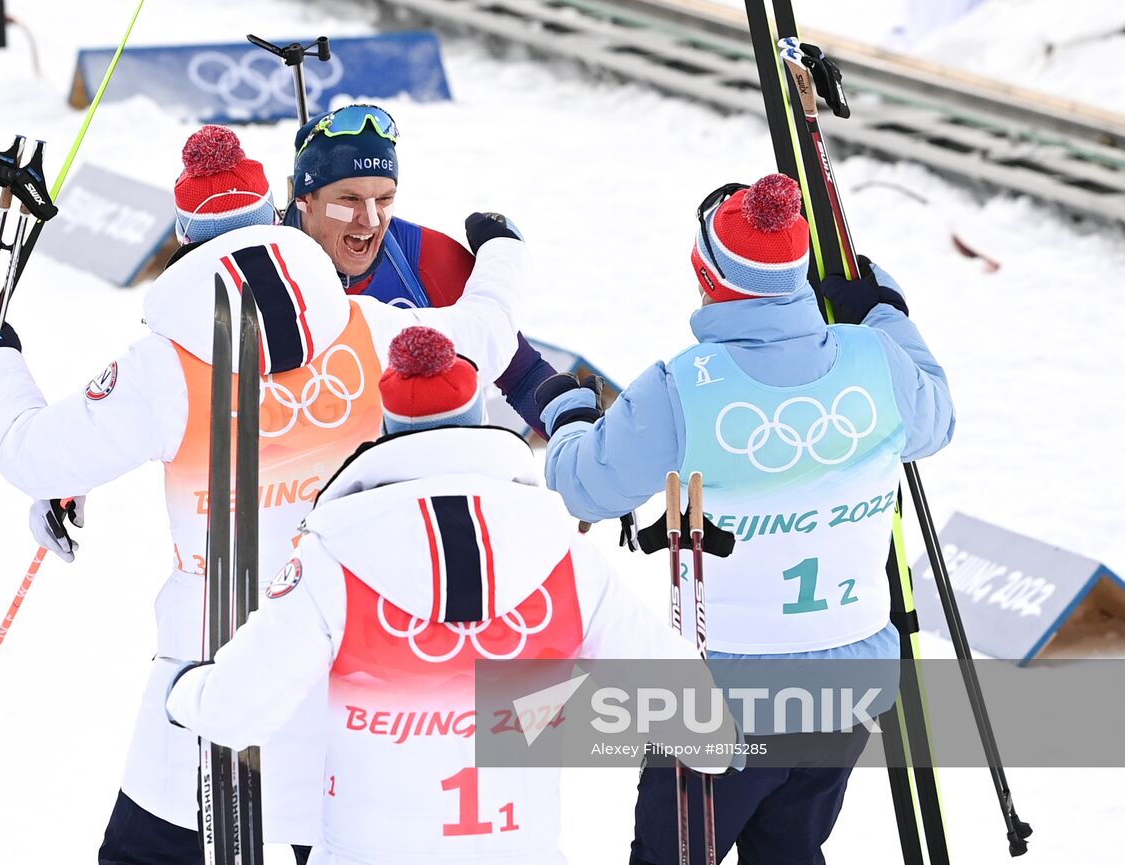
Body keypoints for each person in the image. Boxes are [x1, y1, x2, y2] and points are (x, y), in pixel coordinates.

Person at [0, 125, 530, 865]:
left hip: (215, 663)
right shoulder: (365, 327)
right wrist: (502, 253)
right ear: (273, 220)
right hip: (350, 660)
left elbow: (31, 454)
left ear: (187, 240)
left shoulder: (162, 365)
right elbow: (487, 333)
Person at [166, 326, 733, 864]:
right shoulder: (561, 552)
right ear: (477, 418)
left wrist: (183, 691)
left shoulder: (333, 554)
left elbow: (232, 713)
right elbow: (699, 721)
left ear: (389, 427)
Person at [535, 173, 955, 865]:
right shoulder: (874, 359)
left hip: (723, 703)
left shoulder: (683, 388)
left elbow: (586, 488)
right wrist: (883, 311)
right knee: (791, 850)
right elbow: (935, 419)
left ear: (706, 273)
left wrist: (571, 416)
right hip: (849, 688)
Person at [283, 103, 558, 435]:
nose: (370, 220)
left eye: (384, 199)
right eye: (350, 200)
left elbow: (522, 373)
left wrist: (573, 424)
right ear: (303, 199)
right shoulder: (256, 258)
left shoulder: (426, 256)